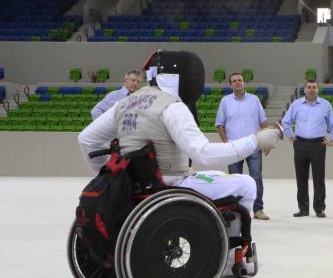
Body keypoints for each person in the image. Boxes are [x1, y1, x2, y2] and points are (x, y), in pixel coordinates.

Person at [78, 51, 283, 212]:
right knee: (246, 183)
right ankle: (231, 258)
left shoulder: (124, 103)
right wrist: (255, 141)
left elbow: (86, 140)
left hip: (135, 186)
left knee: (217, 175)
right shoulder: (172, 106)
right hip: (170, 184)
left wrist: (116, 181)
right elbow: (202, 153)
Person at [215, 72, 271, 220]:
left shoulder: (254, 100)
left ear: (244, 83)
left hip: (253, 146)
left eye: (240, 80)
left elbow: (264, 123)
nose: (237, 83)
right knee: (234, 180)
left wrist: (266, 143)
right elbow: (219, 125)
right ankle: (234, 210)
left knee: (256, 178)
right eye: (234, 81)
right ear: (230, 84)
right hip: (234, 148)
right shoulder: (225, 101)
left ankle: (258, 210)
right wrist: (226, 143)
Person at [282, 79, 333, 218]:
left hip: (318, 145)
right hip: (300, 144)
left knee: (319, 177)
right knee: (301, 177)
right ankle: (303, 209)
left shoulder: (325, 105)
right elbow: (286, 121)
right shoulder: (296, 104)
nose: (312, 89)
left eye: (314, 87)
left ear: (318, 90)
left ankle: (319, 208)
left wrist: (332, 139)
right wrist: (290, 136)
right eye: (309, 87)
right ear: (305, 89)